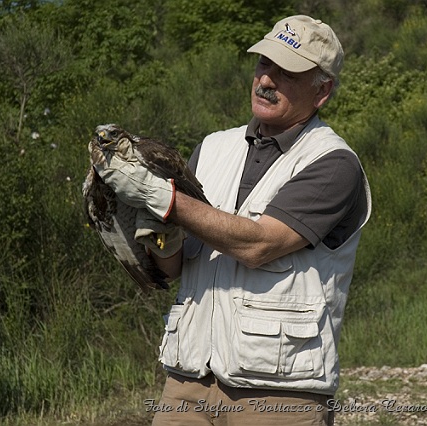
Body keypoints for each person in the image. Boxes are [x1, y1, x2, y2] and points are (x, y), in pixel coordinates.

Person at [96, 14, 371, 426]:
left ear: (323, 91)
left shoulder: (334, 164)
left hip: (279, 393)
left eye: (288, 72)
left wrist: (162, 198)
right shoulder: (212, 147)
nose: (267, 80)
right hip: (186, 381)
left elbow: (259, 245)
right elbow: (176, 267)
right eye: (264, 64)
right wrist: (161, 237)